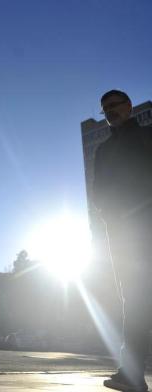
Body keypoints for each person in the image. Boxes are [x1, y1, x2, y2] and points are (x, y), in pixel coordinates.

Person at [93, 89, 152, 392]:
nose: (110, 111)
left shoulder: (147, 137)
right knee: (135, 302)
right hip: (121, 236)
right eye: (105, 108)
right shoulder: (102, 151)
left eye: (115, 105)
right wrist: (108, 217)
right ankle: (131, 375)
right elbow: (98, 192)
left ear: (129, 106)